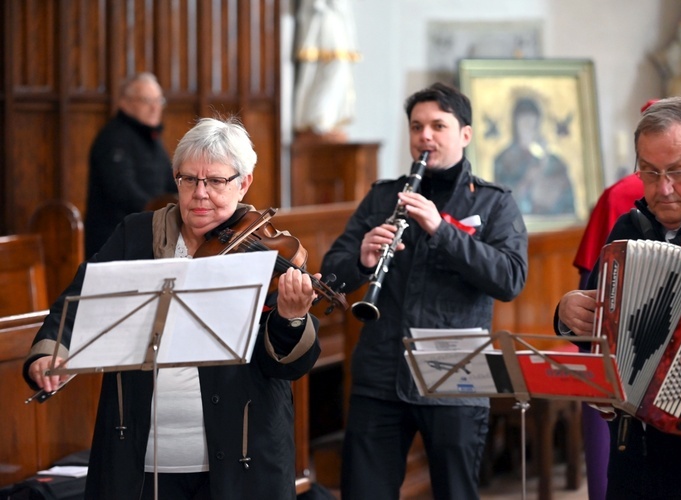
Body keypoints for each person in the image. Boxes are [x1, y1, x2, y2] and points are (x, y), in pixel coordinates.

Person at [23, 117, 321, 499]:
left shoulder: (264, 252)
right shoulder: (135, 235)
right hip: (138, 459)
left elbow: (288, 365)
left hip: (242, 459)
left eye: (215, 181)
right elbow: (77, 302)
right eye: (188, 179)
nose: (200, 193)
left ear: (244, 182)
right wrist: (51, 353)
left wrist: (291, 317)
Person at [320, 82, 529, 500]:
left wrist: (442, 230)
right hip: (380, 373)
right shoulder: (383, 196)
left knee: (455, 492)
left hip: (458, 374)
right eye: (417, 127)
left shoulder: (495, 203)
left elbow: (509, 279)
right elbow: (330, 279)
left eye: (438, 125)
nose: (425, 136)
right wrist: (361, 259)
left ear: (465, 135)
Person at [555, 96, 681, 498]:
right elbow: (598, 325)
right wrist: (566, 313)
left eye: (678, 172)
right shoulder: (630, 227)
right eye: (649, 171)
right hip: (637, 456)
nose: (663, 189)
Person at [85, 72, 177, 258]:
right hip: (116, 238)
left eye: (159, 101)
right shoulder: (113, 138)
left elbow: (170, 181)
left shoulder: (152, 138)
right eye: (146, 100)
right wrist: (159, 215)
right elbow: (122, 190)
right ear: (125, 103)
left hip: (149, 230)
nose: (154, 107)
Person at [493, 96, 575, 216]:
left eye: (531, 121)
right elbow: (499, 200)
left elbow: (567, 202)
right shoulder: (503, 160)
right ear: (515, 124)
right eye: (523, 121)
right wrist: (527, 180)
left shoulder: (555, 162)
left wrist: (544, 164)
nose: (528, 126)